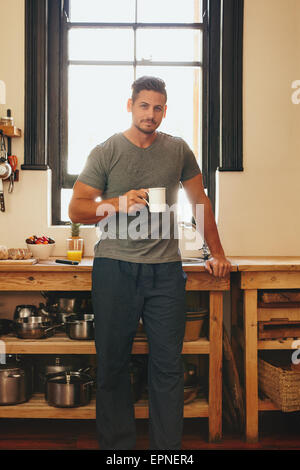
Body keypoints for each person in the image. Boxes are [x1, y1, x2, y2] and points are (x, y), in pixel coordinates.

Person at [68, 76, 231, 450]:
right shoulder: (107, 150)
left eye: (158, 107)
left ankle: (166, 451)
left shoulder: (177, 150)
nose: (151, 114)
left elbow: (200, 202)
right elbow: (76, 208)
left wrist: (217, 254)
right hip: (115, 269)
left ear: (165, 110)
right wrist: (117, 203)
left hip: (165, 273)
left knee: (168, 366)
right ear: (130, 105)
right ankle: (117, 451)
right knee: (111, 365)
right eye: (144, 106)